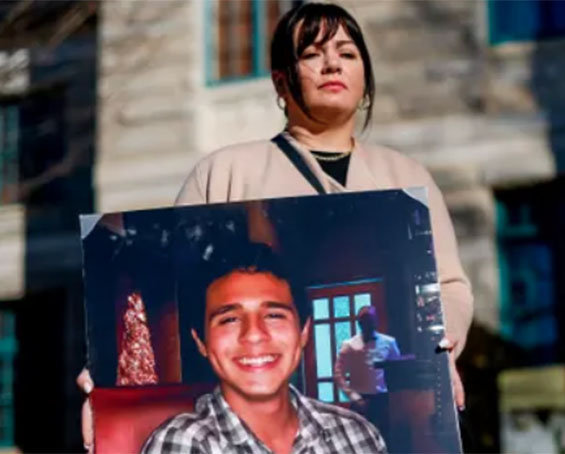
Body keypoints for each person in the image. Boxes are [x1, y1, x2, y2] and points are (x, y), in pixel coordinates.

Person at [78, 3, 472, 449]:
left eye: (347, 53)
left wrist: (443, 342)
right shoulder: (223, 171)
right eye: (312, 54)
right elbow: (174, 267)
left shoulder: (407, 177)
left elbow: (451, 286)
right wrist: (103, 381)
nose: (331, 65)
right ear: (281, 81)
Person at [141, 243, 385, 453]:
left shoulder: (357, 435)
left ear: (304, 332)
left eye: (274, 316)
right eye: (230, 319)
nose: (254, 334)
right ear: (200, 342)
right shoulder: (184, 444)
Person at [333, 306, 401, 429]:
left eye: (370, 319)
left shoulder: (389, 342)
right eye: (364, 319)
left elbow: (397, 370)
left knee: (384, 437)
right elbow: (338, 374)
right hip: (359, 399)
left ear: (376, 320)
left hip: (382, 398)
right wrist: (353, 396)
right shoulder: (349, 345)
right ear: (359, 322)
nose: (368, 323)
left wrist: (396, 398)